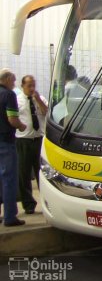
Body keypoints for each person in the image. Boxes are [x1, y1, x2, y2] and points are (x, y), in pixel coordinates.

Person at [16, 75, 47, 215]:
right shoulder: (17, 100)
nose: (32, 88)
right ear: (22, 86)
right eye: (29, 85)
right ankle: (28, 204)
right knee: (24, 172)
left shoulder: (39, 98)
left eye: (33, 85)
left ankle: (46, 200)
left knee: (42, 171)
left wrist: (38, 99)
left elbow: (46, 112)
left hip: (38, 139)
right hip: (23, 140)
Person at [0, 68, 27, 226]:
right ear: (8, 79)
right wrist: (22, 126)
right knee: (9, 179)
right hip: (6, 141)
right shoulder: (9, 95)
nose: (14, 83)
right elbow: (12, 119)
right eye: (14, 80)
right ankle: (10, 217)